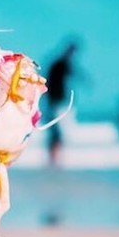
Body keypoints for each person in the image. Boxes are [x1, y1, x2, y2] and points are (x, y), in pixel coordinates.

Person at [43, 38, 83, 167]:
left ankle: (54, 159)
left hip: (55, 101)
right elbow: (75, 73)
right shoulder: (61, 64)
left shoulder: (58, 64)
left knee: (56, 132)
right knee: (58, 133)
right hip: (57, 102)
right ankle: (55, 160)